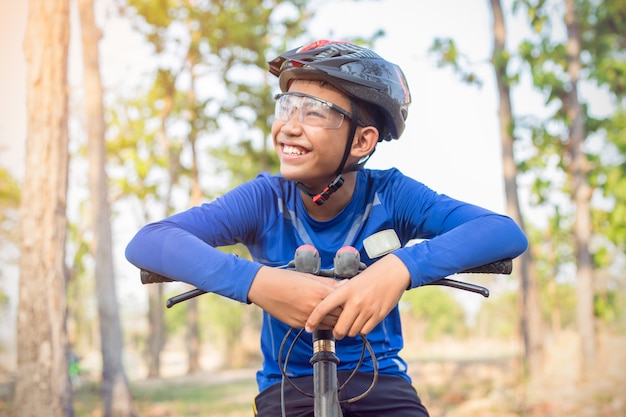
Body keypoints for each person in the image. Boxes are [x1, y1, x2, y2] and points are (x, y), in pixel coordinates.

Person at [125, 39, 528, 417]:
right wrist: (258, 283)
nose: (289, 126)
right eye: (286, 107)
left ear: (361, 141)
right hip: (288, 385)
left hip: (379, 378)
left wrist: (401, 267)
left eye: (314, 111)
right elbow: (150, 240)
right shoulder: (265, 199)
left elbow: (503, 232)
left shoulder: (391, 195)